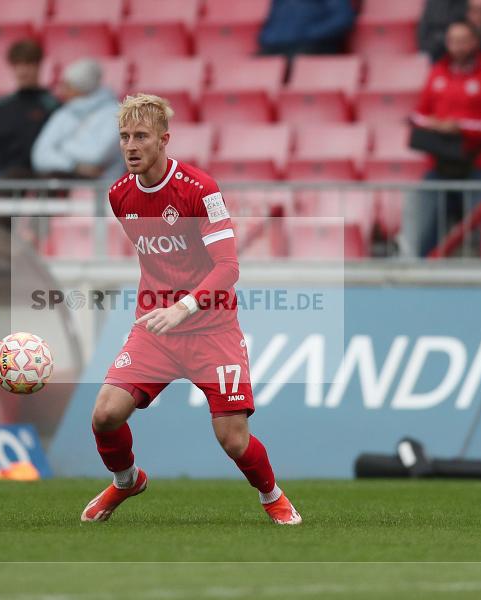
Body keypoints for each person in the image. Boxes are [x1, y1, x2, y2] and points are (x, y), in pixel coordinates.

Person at [80, 94, 301, 526]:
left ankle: (272, 495)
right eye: (124, 137)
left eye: (141, 136)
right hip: (155, 328)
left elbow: (228, 266)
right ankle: (127, 480)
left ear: (164, 140)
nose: (130, 145)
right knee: (105, 414)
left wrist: (183, 307)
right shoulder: (119, 194)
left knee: (233, 440)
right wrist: (164, 307)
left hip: (211, 329)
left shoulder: (200, 190)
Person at [405, 21, 481, 257]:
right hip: (441, 162)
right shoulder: (436, 73)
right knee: (427, 230)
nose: (458, 46)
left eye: (464, 40)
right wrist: (433, 124)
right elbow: (418, 115)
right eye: (453, 41)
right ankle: (421, 273)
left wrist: (460, 128)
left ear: (476, 42)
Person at [0, 40, 60, 180]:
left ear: (39, 66)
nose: (23, 71)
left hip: (36, 176)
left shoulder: (52, 106)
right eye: (18, 65)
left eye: (29, 64)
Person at [31, 59, 122, 181]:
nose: (61, 91)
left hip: (105, 193)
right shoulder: (63, 114)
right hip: (68, 189)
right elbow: (39, 156)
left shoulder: (115, 113)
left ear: (81, 88)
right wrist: (73, 166)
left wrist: (60, 147)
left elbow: (96, 156)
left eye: (67, 86)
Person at [258, 0, 355, 57]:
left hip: (312, 47)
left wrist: (309, 34)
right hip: (276, 47)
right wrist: (267, 37)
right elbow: (272, 20)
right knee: (255, 65)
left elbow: (342, 18)